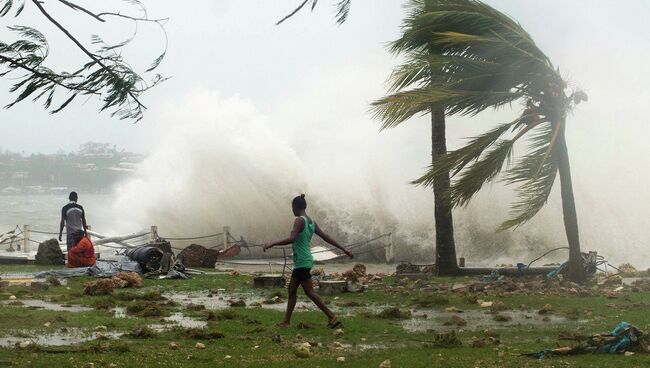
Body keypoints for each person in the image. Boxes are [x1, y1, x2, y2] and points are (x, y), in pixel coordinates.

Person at [264, 194, 353, 328]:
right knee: (292, 289)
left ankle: (332, 316)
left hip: (302, 261)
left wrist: (272, 243)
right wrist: (344, 249)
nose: (292, 210)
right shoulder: (312, 222)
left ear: (295, 207)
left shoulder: (299, 220)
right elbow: (326, 237)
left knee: (309, 291)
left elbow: (292, 238)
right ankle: (286, 322)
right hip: (304, 260)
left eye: (292, 208)